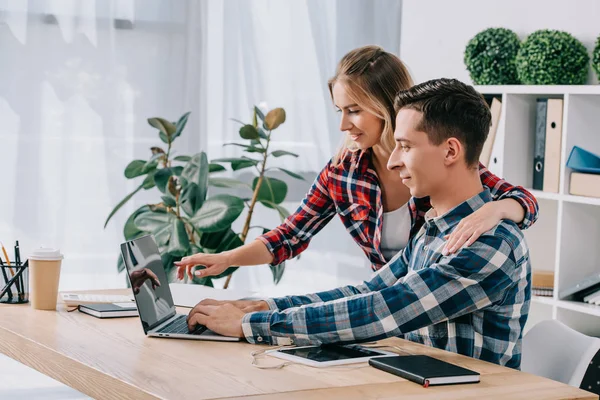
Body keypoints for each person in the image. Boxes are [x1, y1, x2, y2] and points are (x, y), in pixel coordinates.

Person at [186, 78, 532, 369]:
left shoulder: (491, 243)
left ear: (451, 151)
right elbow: (366, 291)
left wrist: (251, 325)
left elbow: (383, 310)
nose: (394, 161)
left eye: (405, 146)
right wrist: (264, 306)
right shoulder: (432, 229)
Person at [176, 45, 538, 282]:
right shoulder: (343, 173)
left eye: (354, 110)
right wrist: (227, 258)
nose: (344, 124)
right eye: (339, 111)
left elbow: (523, 201)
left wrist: (496, 211)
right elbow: (289, 235)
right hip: (388, 304)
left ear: (386, 105)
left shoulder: (432, 160)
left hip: (430, 308)